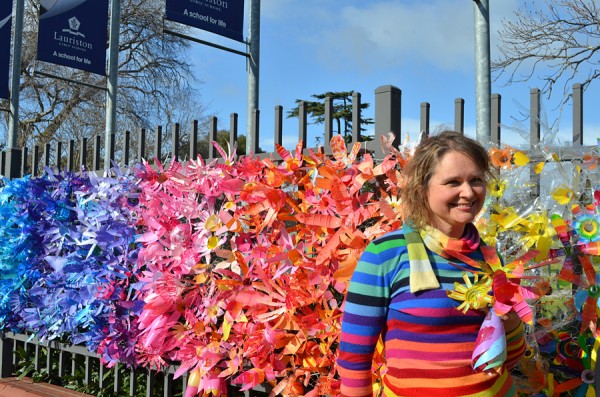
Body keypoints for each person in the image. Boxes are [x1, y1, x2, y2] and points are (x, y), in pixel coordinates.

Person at [337, 131, 526, 396]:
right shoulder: (386, 254)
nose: (468, 192)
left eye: (476, 180)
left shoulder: (489, 258)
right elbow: (354, 356)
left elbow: (510, 356)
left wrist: (510, 321)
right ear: (422, 187)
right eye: (453, 182)